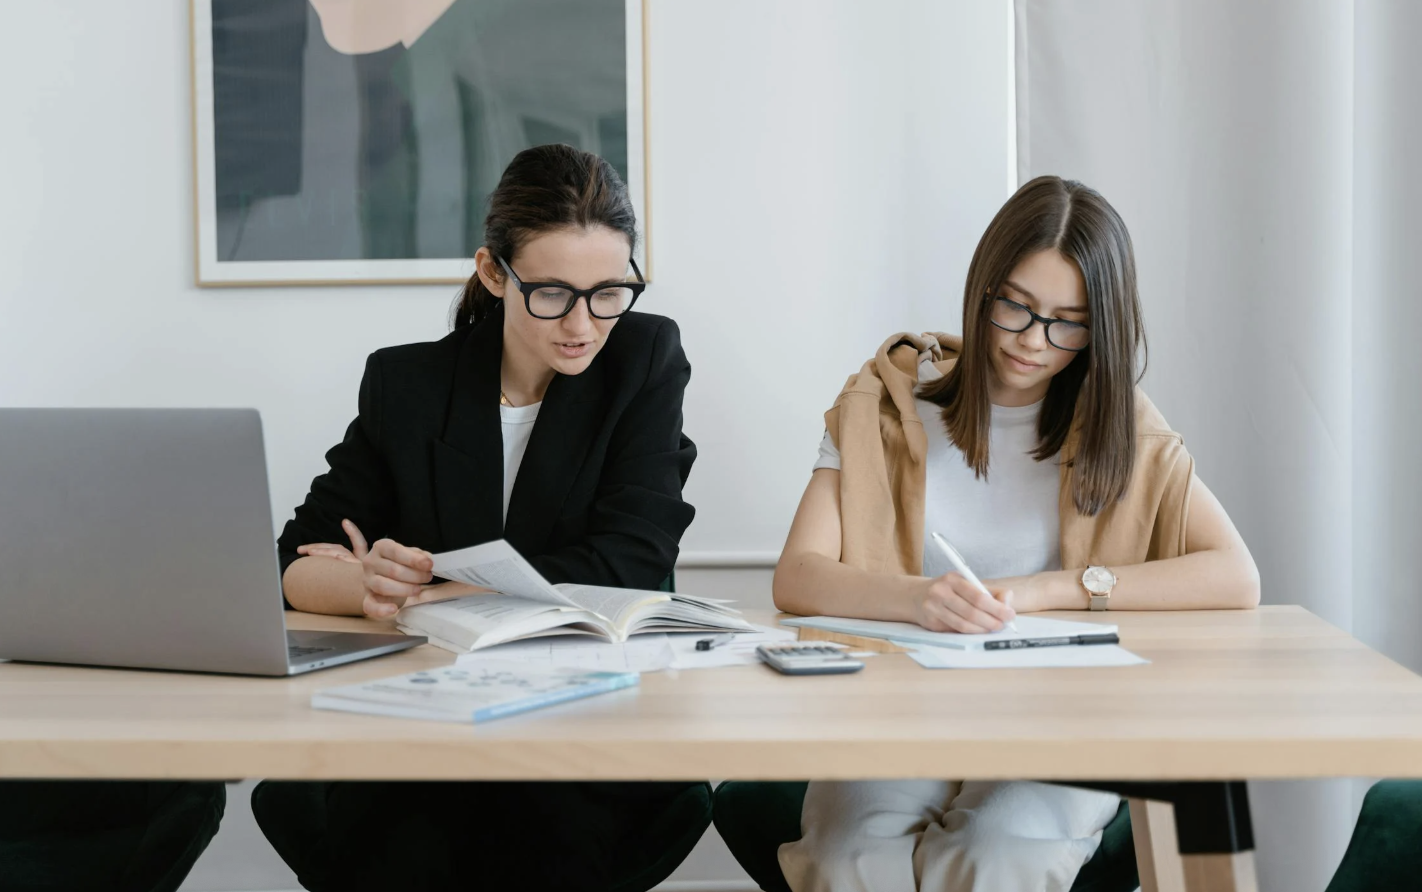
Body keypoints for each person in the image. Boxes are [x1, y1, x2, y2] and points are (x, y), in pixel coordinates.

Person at [772, 176, 1260, 892]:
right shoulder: (882, 402)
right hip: (901, 713)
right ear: (984, 288)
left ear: (1103, 326)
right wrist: (916, 599)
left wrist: (1050, 589)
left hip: (1065, 719)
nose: (1035, 342)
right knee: (847, 853)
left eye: (1070, 321)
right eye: (1017, 309)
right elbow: (798, 575)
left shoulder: (1123, 425)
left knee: (995, 854)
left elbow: (1235, 576)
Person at [252, 144, 701, 892]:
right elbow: (292, 563)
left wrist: (427, 590)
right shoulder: (408, 383)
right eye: (552, 293)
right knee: (403, 837)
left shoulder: (644, 358)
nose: (584, 324)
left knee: (542, 831)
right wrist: (366, 582)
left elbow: (631, 559)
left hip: (581, 716)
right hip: (423, 716)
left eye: (610, 292)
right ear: (495, 274)